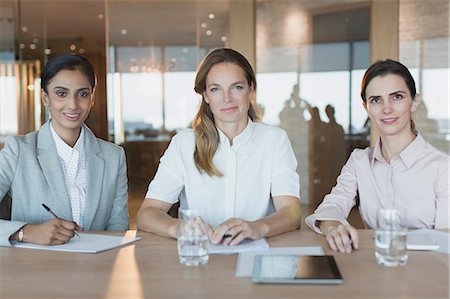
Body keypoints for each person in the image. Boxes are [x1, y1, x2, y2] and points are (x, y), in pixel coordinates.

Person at [137, 48, 301, 245]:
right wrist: (180, 228)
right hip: (199, 257)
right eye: (215, 89)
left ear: (251, 89)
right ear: (205, 95)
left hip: (256, 257)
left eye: (237, 87)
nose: (227, 98)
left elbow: (291, 213)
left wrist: (258, 227)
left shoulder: (274, 140)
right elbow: (147, 213)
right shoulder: (185, 143)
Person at [305, 59, 449, 253]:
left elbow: (445, 242)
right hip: (374, 268)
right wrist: (333, 227)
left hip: (427, 273)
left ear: (414, 101)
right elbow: (332, 206)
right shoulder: (359, 161)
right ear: (366, 107)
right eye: (376, 100)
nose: (387, 108)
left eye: (397, 97)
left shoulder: (443, 168)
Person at [0, 54, 129, 247]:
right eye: (61, 93)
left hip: (97, 269)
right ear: (45, 98)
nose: (73, 105)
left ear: (92, 99)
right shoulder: (19, 150)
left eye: (82, 94)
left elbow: (118, 227)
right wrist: (26, 232)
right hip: (34, 269)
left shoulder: (113, 156)